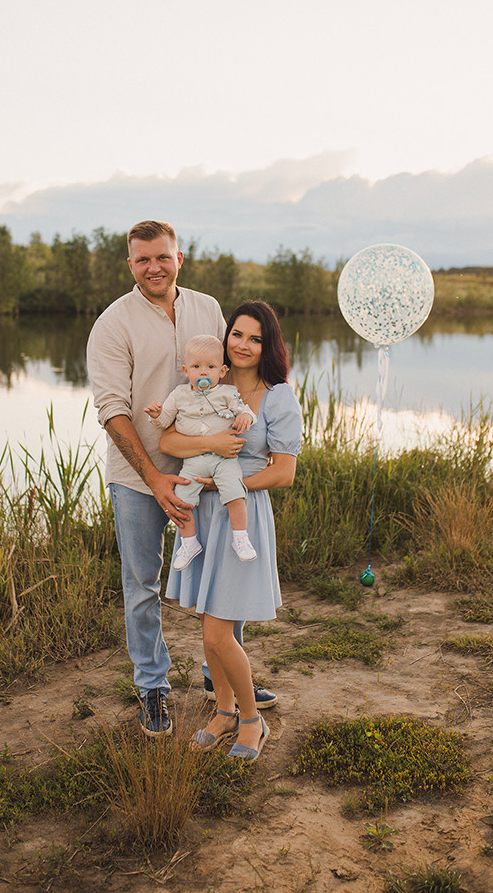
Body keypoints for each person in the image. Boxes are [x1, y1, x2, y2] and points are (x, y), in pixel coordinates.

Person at [86, 220, 227, 737]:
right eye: (142, 259)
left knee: (218, 575)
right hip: (136, 478)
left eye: (161, 257)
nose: (153, 267)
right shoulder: (112, 324)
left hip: (204, 468)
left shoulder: (208, 309)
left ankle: (223, 678)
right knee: (142, 583)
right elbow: (111, 409)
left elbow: (229, 373)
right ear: (130, 264)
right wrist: (152, 478)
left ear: (179, 258)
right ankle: (153, 688)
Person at [163, 301, 302, 761]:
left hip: (241, 510)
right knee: (208, 630)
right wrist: (207, 450)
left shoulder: (277, 396)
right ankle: (224, 711)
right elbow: (168, 441)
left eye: (255, 338)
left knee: (221, 633)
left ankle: (251, 720)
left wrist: (225, 482)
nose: (243, 345)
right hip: (202, 513)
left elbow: (283, 473)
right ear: (226, 341)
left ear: (268, 347)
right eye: (237, 335)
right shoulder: (203, 383)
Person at [145, 334, 257, 570]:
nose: (203, 372)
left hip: (223, 458)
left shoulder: (227, 392)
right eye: (196, 367)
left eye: (210, 367)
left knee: (235, 494)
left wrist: (246, 416)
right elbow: (166, 420)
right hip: (194, 459)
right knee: (182, 500)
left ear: (222, 370)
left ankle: (241, 538)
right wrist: (156, 415)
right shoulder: (179, 394)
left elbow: (243, 409)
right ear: (186, 370)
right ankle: (189, 542)